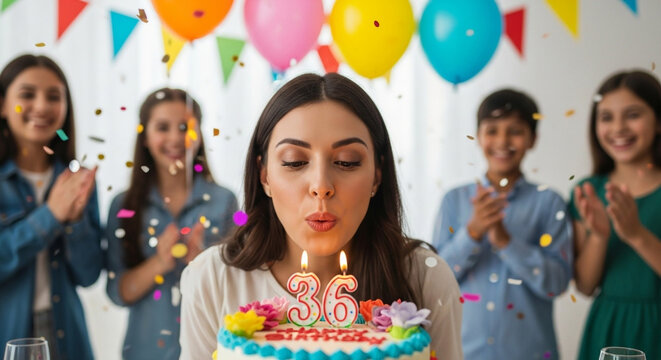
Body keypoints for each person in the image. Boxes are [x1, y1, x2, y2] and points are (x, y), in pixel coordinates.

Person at [178, 73, 463, 359]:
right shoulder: (212, 279)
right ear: (264, 175)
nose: (321, 186)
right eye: (295, 161)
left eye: (346, 162)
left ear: (377, 176)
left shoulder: (426, 278)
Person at [432, 89, 572, 359]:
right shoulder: (454, 200)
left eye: (516, 131)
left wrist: (506, 242)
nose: (502, 141)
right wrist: (471, 233)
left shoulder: (550, 203)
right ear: (479, 136)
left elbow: (557, 284)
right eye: (492, 130)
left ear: (533, 139)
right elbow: (434, 281)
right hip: (461, 352)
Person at [104, 88, 238, 359]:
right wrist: (159, 262)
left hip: (210, 349)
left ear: (199, 134)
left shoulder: (224, 201)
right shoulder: (123, 206)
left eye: (184, 127)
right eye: (163, 127)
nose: (176, 138)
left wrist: (202, 265)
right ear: (145, 137)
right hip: (143, 351)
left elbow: (237, 290)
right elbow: (117, 292)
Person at [0, 54, 102, 360]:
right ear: (3, 105)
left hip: (66, 334)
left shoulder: (79, 180)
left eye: (54, 96)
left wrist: (73, 221)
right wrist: (51, 216)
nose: (42, 106)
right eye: (27, 95)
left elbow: (89, 274)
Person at [571, 70, 661, 360]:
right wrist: (599, 235)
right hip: (607, 326)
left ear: (658, 121)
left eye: (632, 114)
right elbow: (585, 285)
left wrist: (636, 234)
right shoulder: (587, 190)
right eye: (606, 117)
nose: (618, 127)